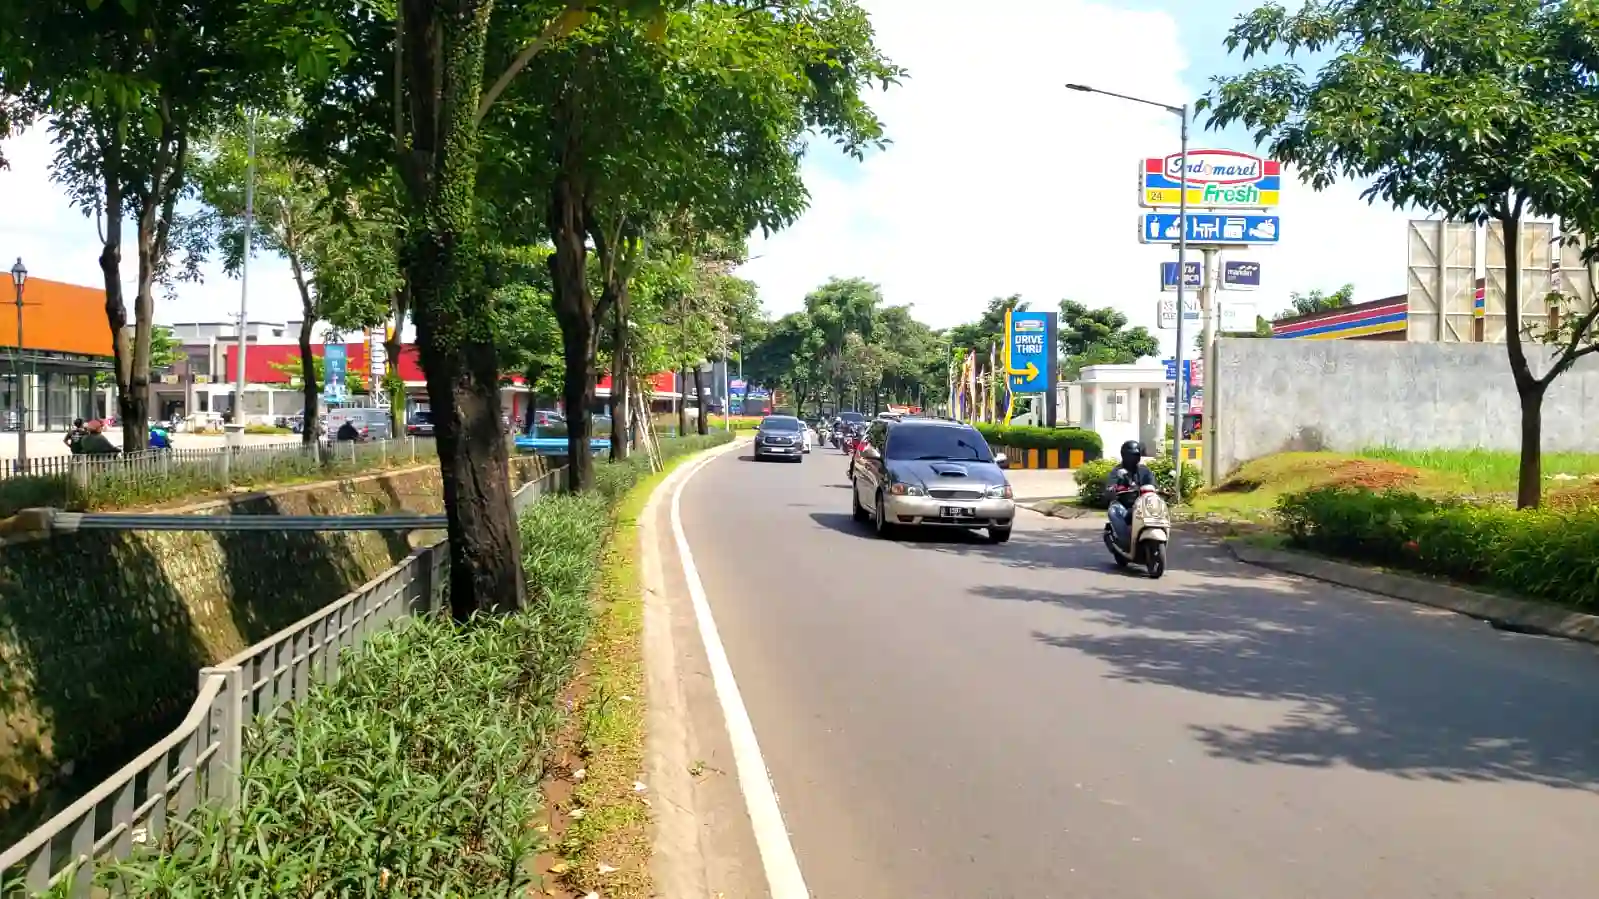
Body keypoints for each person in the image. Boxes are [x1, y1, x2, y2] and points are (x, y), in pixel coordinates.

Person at [1105, 439, 1156, 550]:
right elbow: (1110, 485)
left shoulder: (1145, 471)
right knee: (1113, 511)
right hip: (1124, 505)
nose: (1134, 458)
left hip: (1143, 505)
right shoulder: (1117, 471)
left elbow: (1153, 485)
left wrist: (1159, 490)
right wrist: (1112, 489)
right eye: (1131, 455)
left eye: (1136, 455)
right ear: (1124, 455)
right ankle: (1126, 542)